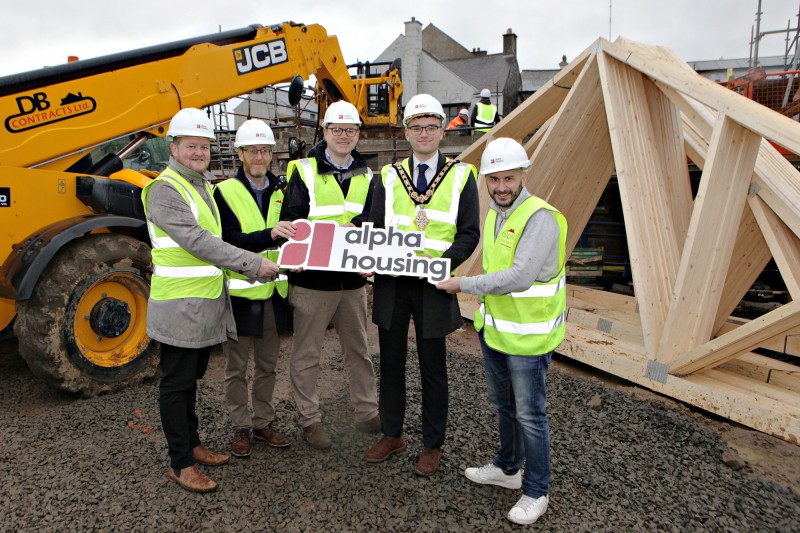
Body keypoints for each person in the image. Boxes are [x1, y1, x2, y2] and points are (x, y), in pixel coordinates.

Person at [142, 108, 279, 493]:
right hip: (179, 307)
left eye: (204, 146)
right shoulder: (166, 189)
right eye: (192, 146)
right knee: (176, 383)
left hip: (202, 305)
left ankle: (193, 445)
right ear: (174, 147)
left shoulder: (199, 184)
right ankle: (180, 463)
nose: (200, 153)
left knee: (190, 382)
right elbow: (199, 242)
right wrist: (254, 264)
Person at [436, 137, 567, 525]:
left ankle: (537, 489)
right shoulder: (496, 214)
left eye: (508, 178)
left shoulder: (540, 217)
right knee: (504, 406)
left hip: (530, 338)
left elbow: (520, 276)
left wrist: (462, 284)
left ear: (523, 175)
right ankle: (509, 468)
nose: (501, 187)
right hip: (495, 333)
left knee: (531, 414)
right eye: (494, 180)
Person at [364, 93, 480, 477]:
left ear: (442, 132)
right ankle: (392, 434)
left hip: (434, 285)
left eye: (432, 127)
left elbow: (468, 234)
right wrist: (366, 257)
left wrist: (441, 266)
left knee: (433, 366)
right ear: (407, 132)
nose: (425, 133)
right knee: (391, 362)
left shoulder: (463, 175)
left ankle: (432, 444)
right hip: (393, 283)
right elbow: (374, 229)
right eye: (417, 127)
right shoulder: (388, 176)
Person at [280, 100, 380, 449]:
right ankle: (310, 419)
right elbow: (292, 219)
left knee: (359, 351)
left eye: (349, 130)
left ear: (357, 134)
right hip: (312, 283)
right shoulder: (304, 171)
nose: (343, 136)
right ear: (324, 132)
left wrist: (361, 230)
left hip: (352, 281)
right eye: (336, 129)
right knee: (307, 355)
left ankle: (367, 412)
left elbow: (376, 220)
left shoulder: (368, 176)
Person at [213, 119, 295, 458]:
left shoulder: (284, 189)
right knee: (235, 369)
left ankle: (262, 421)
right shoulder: (225, 192)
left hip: (275, 297)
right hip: (240, 297)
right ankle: (240, 427)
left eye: (264, 150)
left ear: (272, 154)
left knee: (267, 366)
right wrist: (271, 235)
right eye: (252, 150)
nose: (259, 156)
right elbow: (230, 241)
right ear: (240, 153)